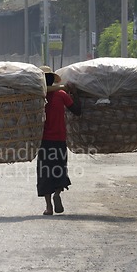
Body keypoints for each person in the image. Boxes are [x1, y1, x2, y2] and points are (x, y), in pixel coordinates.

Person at [37, 66, 82, 215]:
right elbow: (77, 111)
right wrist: (75, 94)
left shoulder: (37, 98)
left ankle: (49, 207)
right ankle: (57, 193)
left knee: (45, 173)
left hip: (44, 142)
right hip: (59, 140)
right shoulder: (61, 94)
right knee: (59, 170)